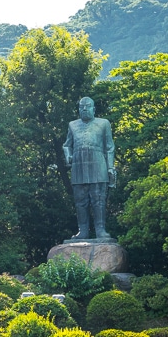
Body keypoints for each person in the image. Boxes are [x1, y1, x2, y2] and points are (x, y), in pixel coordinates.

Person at [63, 96, 116, 240]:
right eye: (81, 107)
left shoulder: (103, 123)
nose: (84, 109)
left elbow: (109, 147)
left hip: (98, 165)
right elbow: (67, 145)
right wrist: (68, 155)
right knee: (80, 200)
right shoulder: (72, 125)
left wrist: (110, 167)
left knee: (98, 199)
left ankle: (100, 230)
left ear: (94, 109)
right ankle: (83, 231)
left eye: (88, 106)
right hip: (78, 167)